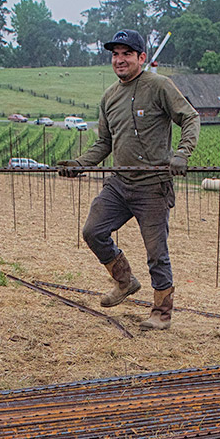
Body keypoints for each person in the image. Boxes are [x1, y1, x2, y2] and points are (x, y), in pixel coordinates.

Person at [57, 29, 200, 330]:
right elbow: (103, 143)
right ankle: (124, 281)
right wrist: (79, 164)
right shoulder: (109, 97)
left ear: (141, 58)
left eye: (126, 54)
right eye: (115, 54)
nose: (119, 60)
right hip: (120, 185)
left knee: (156, 254)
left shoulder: (159, 86)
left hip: (152, 187)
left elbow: (190, 117)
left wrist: (182, 154)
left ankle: (161, 313)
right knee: (93, 231)